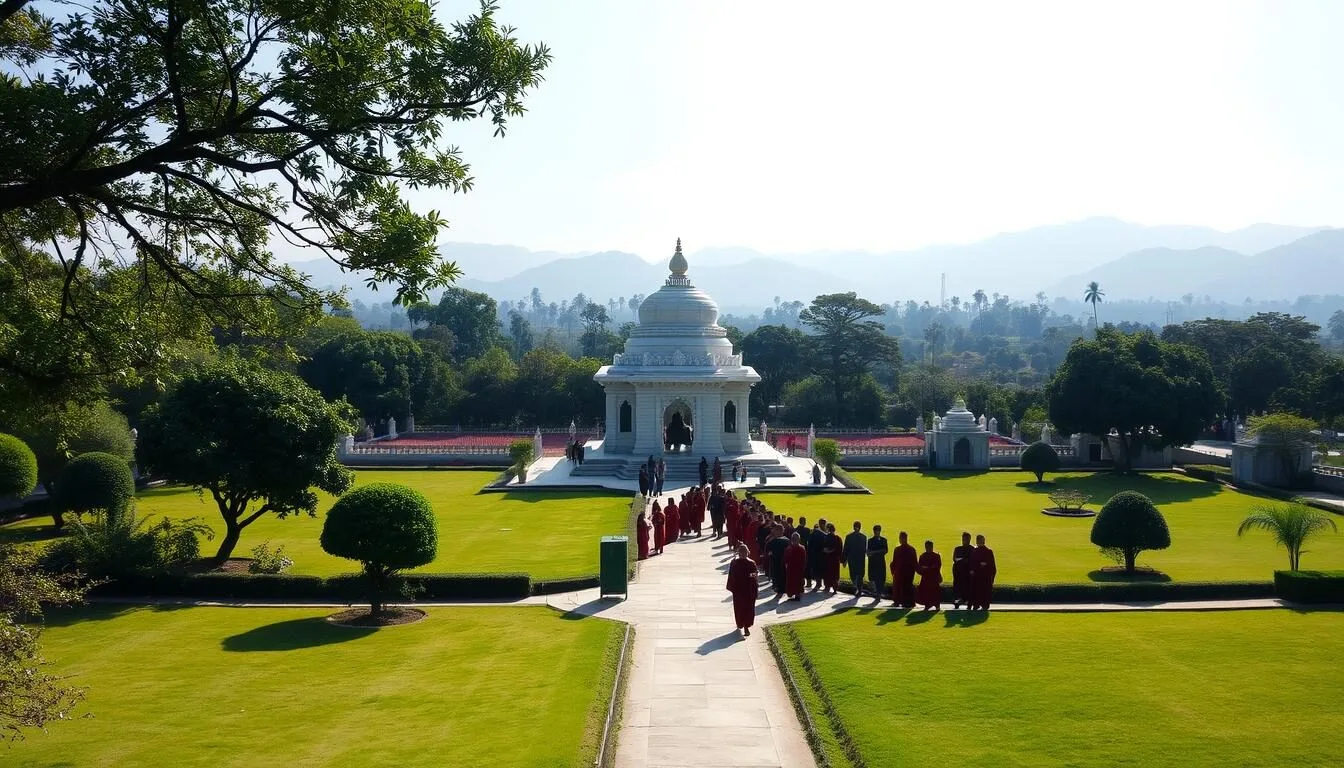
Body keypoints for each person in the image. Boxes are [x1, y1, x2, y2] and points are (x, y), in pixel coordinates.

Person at [726, 544, 760, 636]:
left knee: (742, 608)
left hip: (742, 590)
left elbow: (731, 576)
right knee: (745, 608)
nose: (743, 553)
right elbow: (753, 576)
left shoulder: (736, 563)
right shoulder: (749, 563)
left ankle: (743, 625)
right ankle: (744, 625)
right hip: (744, 590)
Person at [890, 531, 918, 608]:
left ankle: (900, 601)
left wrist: (893, 569)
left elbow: (894, 562)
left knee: (902, 586)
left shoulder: (899, 549)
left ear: (905, 538)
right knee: (903, 586)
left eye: (901, 538)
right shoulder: (910, 549)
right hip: (904, 572)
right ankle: (904, 602)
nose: (900, 540)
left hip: (904, 572)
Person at [970, 534, 997, 611]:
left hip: (984, 575)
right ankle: (978, 604)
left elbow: (991, 564)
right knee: (979, 590)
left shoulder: (986, 551)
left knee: (983, 590)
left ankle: (980, 604)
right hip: (979, 575)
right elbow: (972, 563)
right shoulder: (976, 551)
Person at [916, 540, 942, 611]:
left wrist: (927, 568)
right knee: (926, 592)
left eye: (929, 547)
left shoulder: (936, 556)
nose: (928, 548)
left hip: (934, 577)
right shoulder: (922, 556)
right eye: (926, 547)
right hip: (925, 577)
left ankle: (937, 605)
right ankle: (927, 605)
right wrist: (924, 569)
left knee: (935, 592)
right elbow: (919, 567)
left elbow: (938, 566)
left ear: (932, 547)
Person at [843, 521, 868, 596]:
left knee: (858, 575)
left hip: (857, 559)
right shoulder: (850, 537)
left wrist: (844, 560)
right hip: (855, 559)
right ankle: (858, 588)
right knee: (855, 575)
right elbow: (846, 549)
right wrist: (844, 560)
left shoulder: (862, 537)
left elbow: (846, 549)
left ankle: (859, 590)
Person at [765, 525, 791, 597]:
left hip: (781, 561)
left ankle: (781, 590)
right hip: (777, 561)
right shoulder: (786, 541)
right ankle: (781, 589)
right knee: (779, 576)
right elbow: (768, 551)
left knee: (780, 576)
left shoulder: (784, 541)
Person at [951, 531, 975, 609]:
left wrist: (963, 560)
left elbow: (972, 560)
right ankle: (957, 601)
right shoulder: (958, 549)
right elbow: (954, 559)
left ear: (969, 539)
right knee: (957, 587)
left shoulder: (972, 549)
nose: (964, 541)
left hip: (968, 572)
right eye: (963, 539)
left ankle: (969, 602)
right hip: (958, 571)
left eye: (966, 539)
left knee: (968, 587)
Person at [867, 524, 889, 598]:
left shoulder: (883, 540)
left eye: (878, 531)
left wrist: (874, 552)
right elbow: (868, 552)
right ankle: (877, 593)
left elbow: (885, 550)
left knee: (881, 578)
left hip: (880, 562)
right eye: (876, 531)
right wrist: (876, 552)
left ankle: (879, 593)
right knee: (874, 578)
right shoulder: (870, 541)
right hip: (873, 563)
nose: (877, 532)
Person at [784, 532, 808, 601]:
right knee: (798, 581)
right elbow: (804, 559)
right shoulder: (802, 548)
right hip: (798, 568)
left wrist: (786, 567)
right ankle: (797, 594)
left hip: (792, 569)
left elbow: (786, 560)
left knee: (792, 581)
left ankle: (794, 594)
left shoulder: (789, 548)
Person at [824, 523, 842, 592]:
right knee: (835, 574)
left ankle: (827, 587)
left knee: (828, 573)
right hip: (836, 559)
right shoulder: (838, 538)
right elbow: (840, 550)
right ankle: (835, 588)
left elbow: (824, 549)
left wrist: (829, 551)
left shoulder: (826, 537)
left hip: (828, 559)